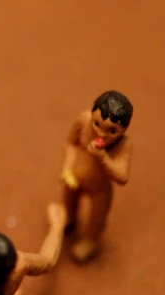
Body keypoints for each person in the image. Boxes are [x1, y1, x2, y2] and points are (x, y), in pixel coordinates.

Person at [61, 90, 134, 263]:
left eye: (112, 131)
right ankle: (69, 218)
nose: (101, 134)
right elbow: (71, 144)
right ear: (92, 113)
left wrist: (103, 158)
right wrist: (67, 167)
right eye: (97, 124)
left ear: (124, 129)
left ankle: (90, 242)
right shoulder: (83, 120)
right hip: (76, 178)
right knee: (69, 201)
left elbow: (122, 177)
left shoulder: (124, 145)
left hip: (99, 189)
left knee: (96, 219)